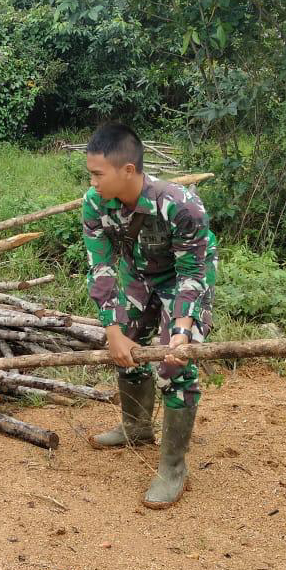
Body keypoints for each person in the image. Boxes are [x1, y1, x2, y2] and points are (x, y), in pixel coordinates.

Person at [81, 121, 218, 509]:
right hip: (138, 277)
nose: (91, 182)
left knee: (175, 362)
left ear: (128, 170)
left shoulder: (181, 205)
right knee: (124, 346)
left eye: (97, 174)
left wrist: (182, 330)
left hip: (183, 281)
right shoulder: (94, 204)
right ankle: (136, 426)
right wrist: (112, 329)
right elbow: (101, 266)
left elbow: (193, 274)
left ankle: (174, 468)